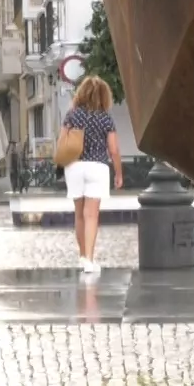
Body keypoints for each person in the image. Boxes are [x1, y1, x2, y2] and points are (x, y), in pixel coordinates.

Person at [61, 76, 122, 275]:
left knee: (79, 215)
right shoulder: (105, 118)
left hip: (75, 166)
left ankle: (83, 257)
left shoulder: (72, 115)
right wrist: (119, 173)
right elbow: (113, 149)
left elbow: (62, 141)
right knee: (91, 216)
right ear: (104, 96)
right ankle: (89, 258)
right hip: (97, 167)